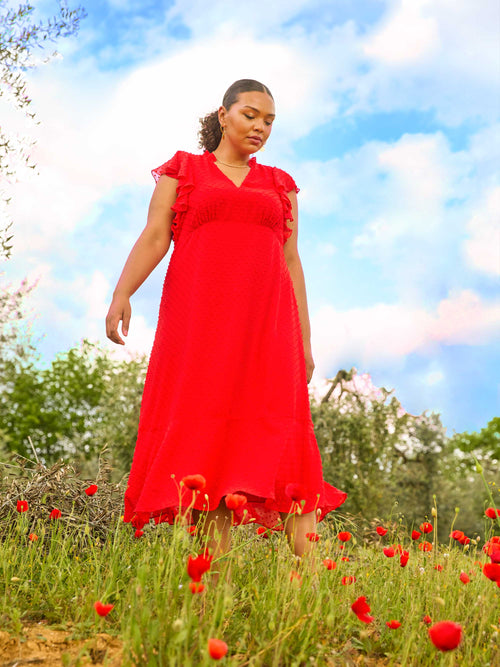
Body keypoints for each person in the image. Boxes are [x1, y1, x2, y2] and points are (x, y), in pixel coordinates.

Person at [106, 79, 346, 577]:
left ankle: (315, 584)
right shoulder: (184, 171)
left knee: (283, 436)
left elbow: (291, 261)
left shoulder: (280, 184)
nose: (260, 127)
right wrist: (121, 293)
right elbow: (155, 237)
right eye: (251, 115)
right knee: (209, 439)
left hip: (268, 330)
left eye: (269, 121)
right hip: (199, 329)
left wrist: (304, 339)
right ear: (223, 114)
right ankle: (213, 581)